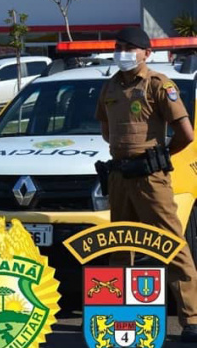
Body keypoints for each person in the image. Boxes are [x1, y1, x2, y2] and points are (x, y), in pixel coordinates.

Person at [95, 26, 197, 341]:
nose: (122, 52)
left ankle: (191, 320)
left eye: (129, 47)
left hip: (151, 178)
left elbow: (186, 133)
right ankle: (119, 318)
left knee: (171, 245)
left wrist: (158, 156)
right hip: (119, 177)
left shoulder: (158, 85)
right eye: (118, 46)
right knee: (121, 246)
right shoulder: (110, 87)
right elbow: (106, 130)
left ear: (146, 53)